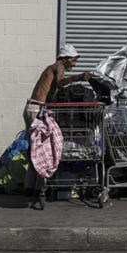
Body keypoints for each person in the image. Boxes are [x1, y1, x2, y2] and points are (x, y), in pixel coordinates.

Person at [22, 44, 92, 193]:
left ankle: (32, 187)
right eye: (73, 60)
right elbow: (60, 83)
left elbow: (55, 89)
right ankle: (36, 188)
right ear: (65, 59)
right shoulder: (58, 66)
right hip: (36, 108)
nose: (75, 64)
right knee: (39, 147)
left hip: (35, 108)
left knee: (36, 147)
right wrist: (79, 77)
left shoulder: (54, 68)